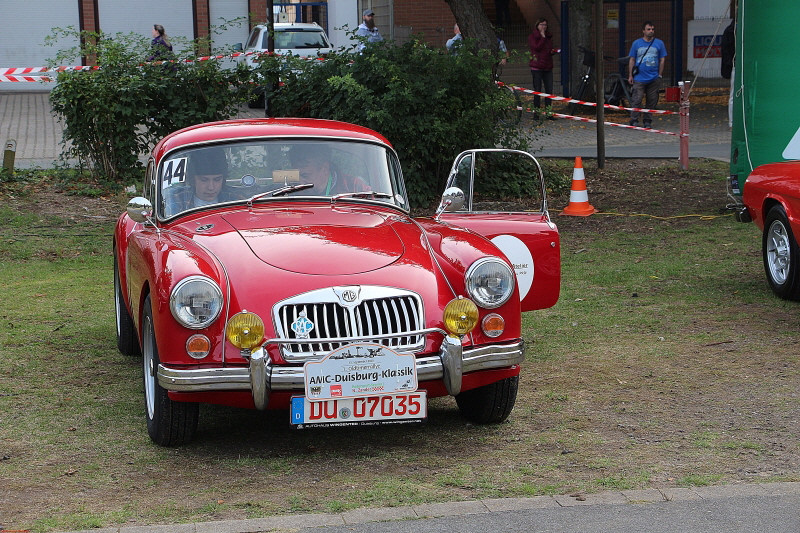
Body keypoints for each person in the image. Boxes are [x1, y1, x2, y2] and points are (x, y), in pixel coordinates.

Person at [163, 149, 238, 215]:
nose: (211, 187)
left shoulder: (236, 198)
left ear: (223, 179)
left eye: (217, 180)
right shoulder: (176, 197)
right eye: (204, 180)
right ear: (193, 178)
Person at [627, 21, 667, 129]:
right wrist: (630, 75)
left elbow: (662, 59)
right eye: (648, 29)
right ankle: (634, 119)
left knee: (651, 100)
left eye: (652, 29)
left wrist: (659, 75)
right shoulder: (636, 43)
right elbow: (632, 59)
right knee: (637, 99)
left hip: (653, 77)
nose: (651, 31)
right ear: (643, 31)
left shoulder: (659, 43)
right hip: (639, 77)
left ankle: (647, 120)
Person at [288, 144, 369, 196]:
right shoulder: (285, 190)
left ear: (325, 168)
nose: (299, 182)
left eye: (305, 176)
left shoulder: (355, 186)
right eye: (295, 175)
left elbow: (372, 217)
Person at [528, 17, 557, 118]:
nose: (543, 27)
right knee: (537, 90)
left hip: (547, 66)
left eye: (545, 25)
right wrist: (542, 37)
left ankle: (549, 113)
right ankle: (536, 113)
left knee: (549, 91)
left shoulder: (548, 37)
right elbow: (536, 47)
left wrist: (552, 52)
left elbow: (547, 50)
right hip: (537, 67)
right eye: (541, 25)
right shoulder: (533, 36)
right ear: (537, 25)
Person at [721, 19, 736, 129]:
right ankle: (732, 122)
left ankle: (732, 122)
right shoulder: (730, 31)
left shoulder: (730, 31)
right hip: (735, 64)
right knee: (733, 94)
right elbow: (725, 49)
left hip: (735, 64)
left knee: (733, 94)